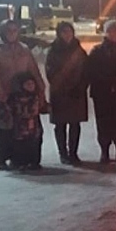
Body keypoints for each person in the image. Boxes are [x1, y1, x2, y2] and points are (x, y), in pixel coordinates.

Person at [0, 19, 47, 170]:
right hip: (4, 95)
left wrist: (40, 87)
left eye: (15, 30)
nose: (12, 33)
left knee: (20, 129)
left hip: (22, 96)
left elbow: (33, 69)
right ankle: (0, 158)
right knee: (3, 127)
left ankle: (19, 158)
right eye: (9, 30)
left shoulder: (23, 49)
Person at [86, 19, 116, 164]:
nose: (113, 34)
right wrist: (105, 82)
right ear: (105, 33)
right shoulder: (97, 51)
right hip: (102, 93)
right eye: (110, 31)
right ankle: (105, 151)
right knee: (103, 123)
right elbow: (91, 71)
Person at [45, 21, 88, 165]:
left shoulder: (79, 50)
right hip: (60, 93)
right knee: (60, 124)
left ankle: (73, 153)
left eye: (69, 31)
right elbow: (50, 72)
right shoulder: (53, 51)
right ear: (59, 33)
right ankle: (63, 153)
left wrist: (81, 86)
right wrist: (62, 86)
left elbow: (86, 70)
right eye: (64, 32)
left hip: (77, 93)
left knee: (75, 124)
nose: (67, 34)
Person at [7, 72, 45, 170]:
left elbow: (39, 109)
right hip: (21, 126)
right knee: (20, 144)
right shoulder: (15, 98)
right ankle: (19, 162)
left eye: (32, 84)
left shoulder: (35, 97)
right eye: (28, 84)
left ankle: (33, 161)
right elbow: (13, 110)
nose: (31, 86)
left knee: (34, 143)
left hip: (33, 125)